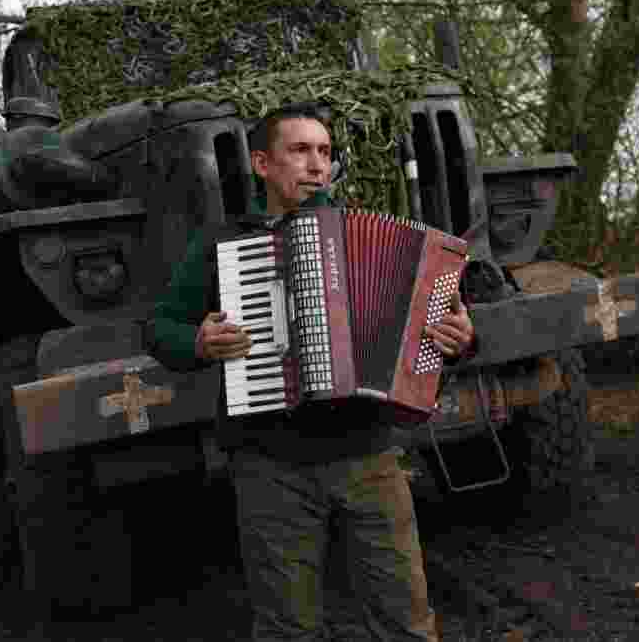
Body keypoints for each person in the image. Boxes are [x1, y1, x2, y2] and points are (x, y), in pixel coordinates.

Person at [144, 102, 477, 642]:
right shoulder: (225, 245)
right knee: (287, 628)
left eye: (324, 151)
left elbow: (445, 328)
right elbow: (159, 329)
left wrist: (462, 341)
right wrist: (197, 341)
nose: (316, 164)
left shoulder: (370, 233)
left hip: (369, 456)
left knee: (405, 622)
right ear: (261, 164)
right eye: (299, 151)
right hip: (270, 465)